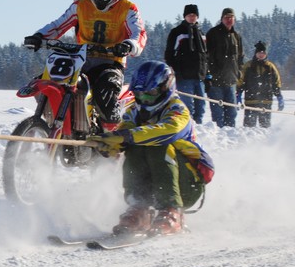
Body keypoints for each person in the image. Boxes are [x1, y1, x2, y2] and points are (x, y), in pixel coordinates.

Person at [90, 61, 214, 236]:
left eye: (150, 94)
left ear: (166, 88)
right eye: (139, 95)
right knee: (133, 148)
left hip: (186, 184)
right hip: (153, 181)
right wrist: (110, 145)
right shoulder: (135, 111)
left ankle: (173, 211)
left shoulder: (177, 110)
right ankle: (139, 208)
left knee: (156, 145)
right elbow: (125, 132)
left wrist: (127, 136)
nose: (144, 100)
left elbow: (167, 131)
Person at [25, 0, 147, 125]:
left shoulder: (128, 8)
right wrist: (39, 36)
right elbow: (58, 25)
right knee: (45, 82)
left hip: (111, 61)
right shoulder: (81, 6)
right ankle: (56, 121)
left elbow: (139, 33)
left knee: (105, 96)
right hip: (79, 60)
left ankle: (111, 138)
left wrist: (129, 45)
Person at [164, 4, 207, 124]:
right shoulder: (177, 32)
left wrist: (206, 73)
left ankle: (199, 127)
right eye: (189, 15)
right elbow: (169, 53)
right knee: (186, 106)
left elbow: (205, 55)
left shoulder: (201, 33)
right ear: (185, 16)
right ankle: (187, 126)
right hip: (184, 76)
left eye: (194, 15)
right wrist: (174, 70)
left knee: (201, 106)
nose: (192, 17)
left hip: (199, 76)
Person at [205, 7, 244, 128]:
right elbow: (207, 56)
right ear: (222, 19)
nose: (229, 20)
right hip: (216, 82)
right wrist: (209, 75)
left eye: (231, 18)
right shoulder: (213, 33)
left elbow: (240, 57)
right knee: (218, 116)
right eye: (226, 18)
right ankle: (218, 140)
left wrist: (239, 72)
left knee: (231, 114)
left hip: (231, 81)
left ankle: (230, 140)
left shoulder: (237, 36)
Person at [236, 42, 284, 128]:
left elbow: (276, 82)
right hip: (250, 101)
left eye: (263, 53)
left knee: (265, 127)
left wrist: (279, 95)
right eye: (259, 53)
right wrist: (238, 92)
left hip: (266, 101)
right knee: (248, 127)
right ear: (255, 53)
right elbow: (241, 80)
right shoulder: (248, 66)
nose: (261, 55)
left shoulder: (270, 67)